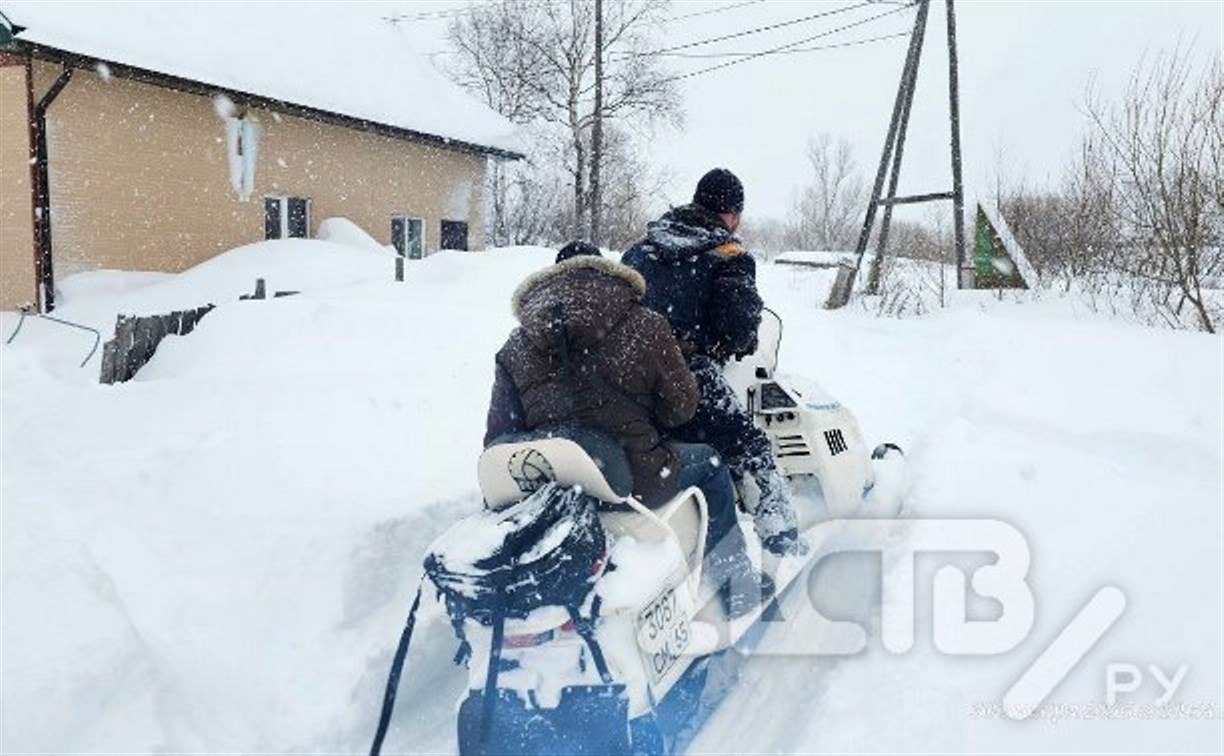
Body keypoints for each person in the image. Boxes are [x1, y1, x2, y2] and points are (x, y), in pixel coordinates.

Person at [485, 240, 773, 617]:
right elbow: (682, 410)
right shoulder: (645, 325)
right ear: (603, 274)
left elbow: (498, 437)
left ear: (548, 282)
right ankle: (737, 588)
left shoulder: (515, 346)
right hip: (636, 481)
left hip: (551, 486)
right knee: (712, 466)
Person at [622, 169, 805, 556]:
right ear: (733, 214)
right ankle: (779, 530)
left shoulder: (640, 250)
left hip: (626, 376)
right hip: (687, 375)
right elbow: (738, 328)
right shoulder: (729, 258)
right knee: (747, 442)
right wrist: (737, 336)